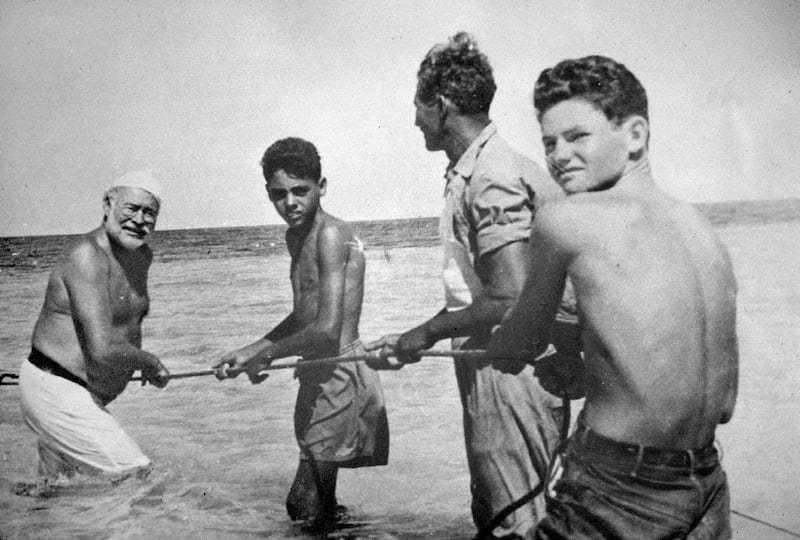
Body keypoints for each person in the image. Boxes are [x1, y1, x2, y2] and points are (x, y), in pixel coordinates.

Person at [487, 55, 739, 539]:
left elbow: (519, 343)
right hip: (705, 484)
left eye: (577, 136)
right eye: (548, 143)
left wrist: (502, 345)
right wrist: (596, 373)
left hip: (619, 487)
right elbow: (718, 400)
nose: (558, 154)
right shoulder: (702, 230)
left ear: (636, 135)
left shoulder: (566, 218)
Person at [366, 32, 570, 539]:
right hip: (509, 368)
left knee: (514, 526)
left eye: (418, 104)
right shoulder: (489, 168)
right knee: (510, 517)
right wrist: (418, 337)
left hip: (510, 376)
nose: (414, 119)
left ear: (439, 104)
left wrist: (425, 332)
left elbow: (511, 297)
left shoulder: (492, 177)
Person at [213, 137, 389, 530]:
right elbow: (303, 315)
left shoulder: (330, 234)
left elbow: (327, 330)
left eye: (300, 191)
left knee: (305, 503)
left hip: (339, 371)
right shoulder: (297, 236)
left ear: (321, 187)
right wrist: (252, 349)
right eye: (279, 194)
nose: (289, 202)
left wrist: (268, 355)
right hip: (316, 372)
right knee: (317, 503)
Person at [19, 171, 170, 481]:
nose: (140, 219)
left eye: (149, 213)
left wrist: (132, 364)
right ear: (107, 204)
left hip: (82, 395)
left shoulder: (141, 256)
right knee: (139, 477)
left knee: (54, 496)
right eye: (131, 208)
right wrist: (150, 362)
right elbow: (101, 350)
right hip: (56, 388)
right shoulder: (87, 255)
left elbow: (125, 323)